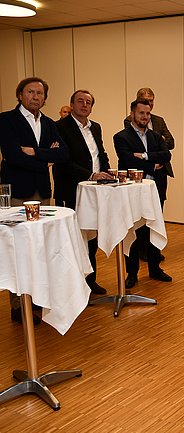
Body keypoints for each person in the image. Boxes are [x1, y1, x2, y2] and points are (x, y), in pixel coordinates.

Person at [0, 76, 69, 325]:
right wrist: (45, 159)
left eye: (40, 93)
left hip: (42, 192)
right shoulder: (6, 120)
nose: (35, 97)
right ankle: (19, 305)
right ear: (20, 95)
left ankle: (38, 298)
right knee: (17, 249)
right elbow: (12, 155)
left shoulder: (49, 123)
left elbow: (63, 154)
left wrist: (34, 152)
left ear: (45, 98)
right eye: (30, 92)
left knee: (40, 247)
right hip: (18, 193)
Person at [53, 89, 113, 295]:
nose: (84, 105)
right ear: (71, 104)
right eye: (80, 101)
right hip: (72, 189)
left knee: (91, 235)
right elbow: (63, 161)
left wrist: (108, 173)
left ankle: (90, 280)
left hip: (94, 190)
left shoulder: (95, 127)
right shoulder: (60, 127)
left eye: (88, 102)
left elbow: (100, 153)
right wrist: (90, 175)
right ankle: (74, 284)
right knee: (74, 237)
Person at [114, 98, 172, 289]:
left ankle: (155, 269)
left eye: (147, 113)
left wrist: (145, 156)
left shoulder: (155, 136)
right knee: (133, 231)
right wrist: (153, 165)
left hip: (155, 190)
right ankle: (132, 273)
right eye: (141, 113)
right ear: (132, 114)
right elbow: (128, 160)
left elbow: (167, 155)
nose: (145, 117)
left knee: (153, 227)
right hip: (132, 192)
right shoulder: (121, 137)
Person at [124, 87, 174, 261]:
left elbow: (170, 145)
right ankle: (140, 251)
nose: (149, 106)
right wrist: (155, 154)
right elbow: (132, 151)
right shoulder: (127, 123)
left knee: (156, 215)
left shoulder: (158, 121)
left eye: (151, 101)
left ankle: (154, 253)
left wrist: (148, 154)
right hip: (139, 177)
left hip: (160, 176)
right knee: (140, 217)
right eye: (146, 101)